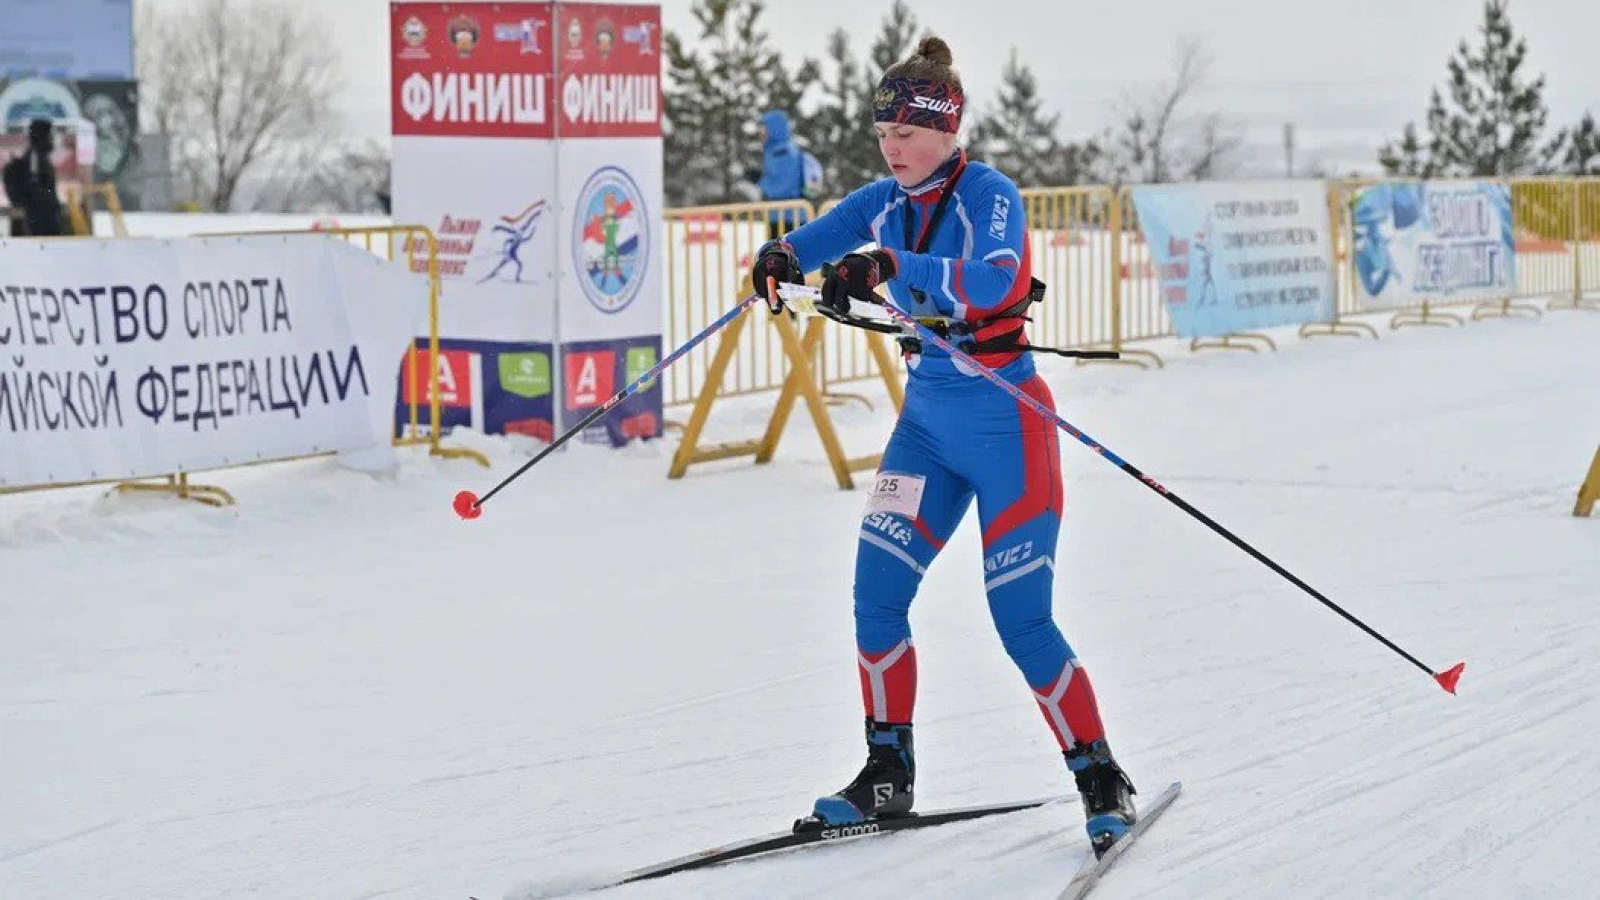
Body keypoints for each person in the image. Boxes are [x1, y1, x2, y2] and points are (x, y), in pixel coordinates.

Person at [748, 37, 1139, 856]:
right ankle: (887, 772)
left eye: (907, 134)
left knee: (1020, 619)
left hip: (1008, 426)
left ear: (947, 130)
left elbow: (995, 279)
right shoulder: (881, 196)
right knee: (875, 598)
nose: (892, 148)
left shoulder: (988, 194)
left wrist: (891, 262)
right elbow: (823, 236)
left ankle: (1100, 774)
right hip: (926, 428)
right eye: (883, 132)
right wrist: (782, 257)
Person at [753, 109, 820, 240]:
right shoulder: (777, 150)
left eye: (764, 129)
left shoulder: (782, 152)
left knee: (784, 257)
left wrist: (758, 180)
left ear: (774, 129)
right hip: (784, 214)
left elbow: (781, 187)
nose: (761, 133)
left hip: (788, 216)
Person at [2, 119, 66, 237]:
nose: (53, 139)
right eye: (51, 134)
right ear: (43, 135)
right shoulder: (35, 157)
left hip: (44, 214)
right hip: (41, 216)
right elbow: (34, 185)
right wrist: (50, 203)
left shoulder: (40, 156)